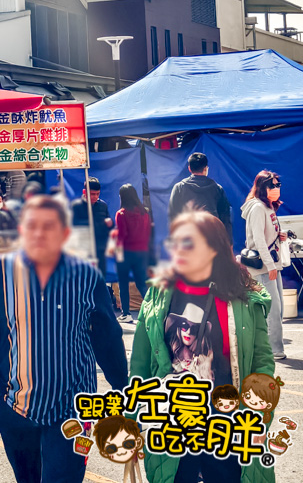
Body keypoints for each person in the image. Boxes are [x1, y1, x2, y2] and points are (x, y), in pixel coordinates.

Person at [0, 195, 128, 483]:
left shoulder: (86, 276)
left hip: (75, 407)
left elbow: (108, 337)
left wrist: (122, 390)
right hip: (14, 404)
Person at [130, 210, 276, 483]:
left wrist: (260, 416)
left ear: (213, 249)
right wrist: (133, 419)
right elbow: (140, 363)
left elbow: (261, 363)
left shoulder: (244, 297)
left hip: (228, 425)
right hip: (171, 422)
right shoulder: (158, 294)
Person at [242, 170, 287, 360]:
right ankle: (274, 350)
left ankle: (269, 347)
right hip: (263, 266)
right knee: (272, 310)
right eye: (272, 185)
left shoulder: (267, 207)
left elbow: (265, 235)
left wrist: (280, 235)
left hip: (271, 265)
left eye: (278, 185)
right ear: (262, 187)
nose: (276, 189)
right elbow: (258, 240)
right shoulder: (258, 208)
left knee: (278, 308)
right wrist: (270, 265)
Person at [169, 151, 233, 246]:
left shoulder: (179, 187)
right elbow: (225, 218)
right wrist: (229, 243)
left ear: (189, 168)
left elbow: (173, 216)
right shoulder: (217, 188)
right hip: (212, 240)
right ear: (206, 168)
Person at [114, 184, 153, 322]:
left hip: (126, 252)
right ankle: (153, 309)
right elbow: (148, 232)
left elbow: (121, 236)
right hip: (142, 251)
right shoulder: (145, 212)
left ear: (122, 197)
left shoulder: (121, 214)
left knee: (123, 283)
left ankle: (126, 314)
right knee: (142, 283)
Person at [71, 178, 113, 278]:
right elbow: (73, 225)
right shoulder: (76, 206)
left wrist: (110, 224)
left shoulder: (103, 205)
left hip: (100, 248)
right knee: (84, 278)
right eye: (92, 194)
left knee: (101, 277)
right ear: (84, 192)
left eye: (97, 194)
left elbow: (110, 227)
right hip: (84, 250)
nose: (95, 197)